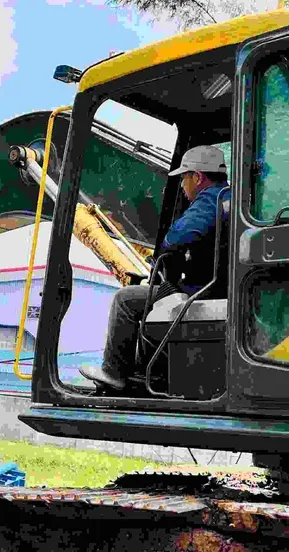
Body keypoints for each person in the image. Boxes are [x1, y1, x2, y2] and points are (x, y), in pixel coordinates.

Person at [80, 144, 230, 394]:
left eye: (184, 178)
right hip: (214, 287)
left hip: (199, 292)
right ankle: (143, 370)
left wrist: (170, 246)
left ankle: (115, 372)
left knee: (125, 299)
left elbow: (176, 237)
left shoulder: (209, 199)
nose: (182, 186)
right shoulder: (229, 197)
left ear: (198, 177)